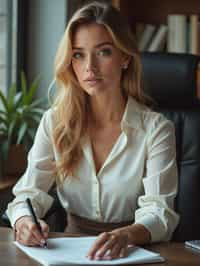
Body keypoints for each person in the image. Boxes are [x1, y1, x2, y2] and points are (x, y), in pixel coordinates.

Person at [6, 1, 179, 261]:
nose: (90, 67)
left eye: (104, 52)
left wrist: (126, 235)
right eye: (78, 54)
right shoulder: (55, 121)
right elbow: (28, 194)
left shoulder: (156, 130)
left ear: (125, 58)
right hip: (67, 253)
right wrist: (24, 222)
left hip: (134, 252)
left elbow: (160, 212)